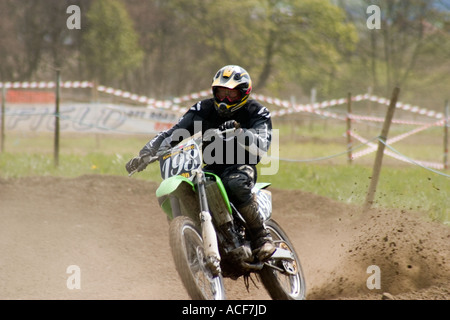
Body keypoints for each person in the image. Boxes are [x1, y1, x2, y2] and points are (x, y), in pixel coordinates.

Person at [125, 65, 275, 261]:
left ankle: (262, 237)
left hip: (241, 165)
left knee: (235, 184)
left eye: (231, 95)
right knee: (183, 191)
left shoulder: (256, 112)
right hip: (211, 167)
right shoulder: (203, 109)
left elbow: (262, 143)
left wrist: (240, 133)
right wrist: (146, 153)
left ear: (243, 93)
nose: (224, 100)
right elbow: (175, 133)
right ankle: (192, 243)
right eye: (221, 93)